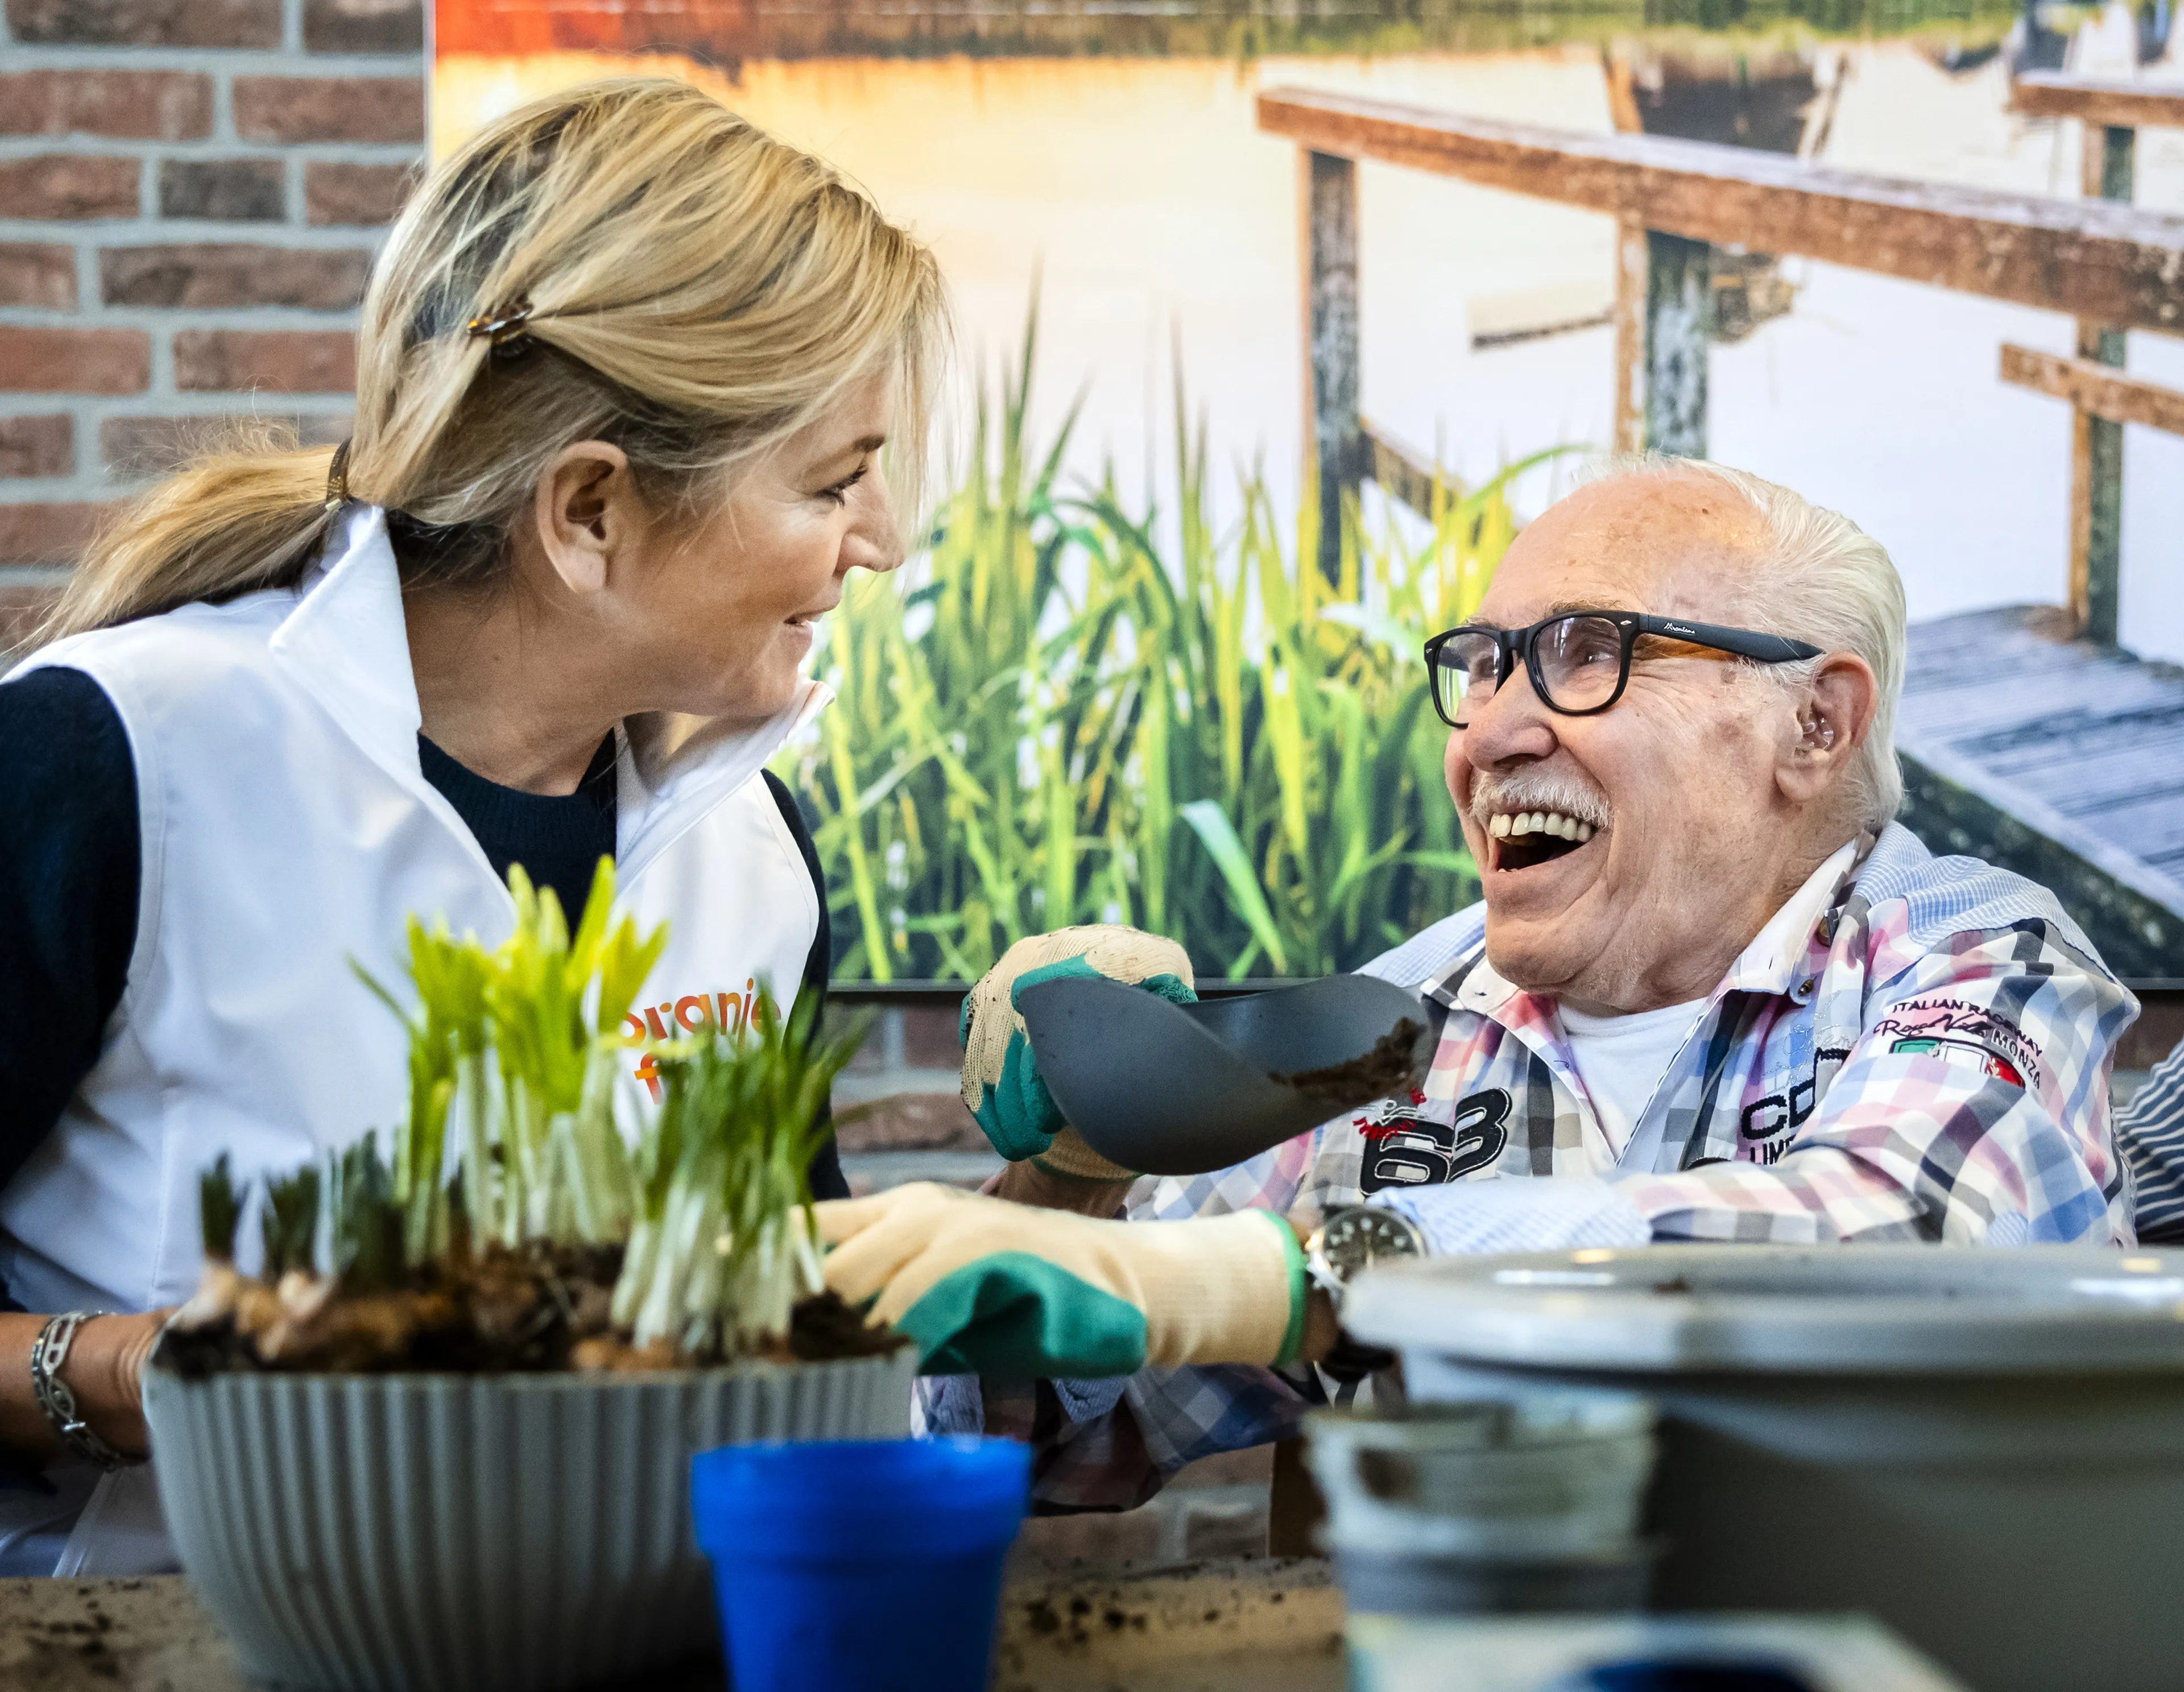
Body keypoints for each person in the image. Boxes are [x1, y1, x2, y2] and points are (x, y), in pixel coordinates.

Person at [0, 77, 944, 1572]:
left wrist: (1052, 1205)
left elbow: (807, 1357)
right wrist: (117, 1375)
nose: (881, 542)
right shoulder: (114, 761)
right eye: (833, 481)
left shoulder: (755, 848)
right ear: (588, 512)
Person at [820, 458, 2138, 1512]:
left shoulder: (1978, 954)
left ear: (1816, 722)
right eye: (1486, 665)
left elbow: (1909, 1253)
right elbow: (1047, 1448)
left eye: (1586, 652)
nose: (1494, 732)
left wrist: (1333, 1267)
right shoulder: (1394, 1029)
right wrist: (1074, 1176)